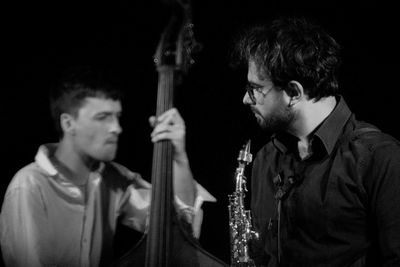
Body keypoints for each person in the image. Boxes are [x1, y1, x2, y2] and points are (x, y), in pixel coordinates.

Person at [0, 66, 216, 267]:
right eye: (103, 118)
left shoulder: (114, 178)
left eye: (117, 117)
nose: (116, 128)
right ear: (68, 123)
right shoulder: (28, 185)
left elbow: (179, 225)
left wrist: (178, 157)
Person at [233, 17, 400, 266]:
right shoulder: (266, 158)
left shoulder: (380, 157)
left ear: (293, 92)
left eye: (255, 89)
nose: (246, 100)